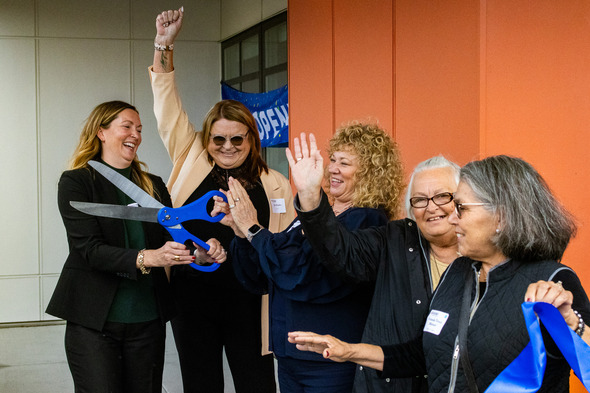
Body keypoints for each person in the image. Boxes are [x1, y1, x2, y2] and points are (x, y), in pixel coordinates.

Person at [289, 155, 590, 393]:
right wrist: (348, 350)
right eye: (421, 200)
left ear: (502, 216)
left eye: (460, 206)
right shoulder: (459, 273)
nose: (451, 217)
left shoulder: (554, 281)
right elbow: (424, 354)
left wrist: (573, 324)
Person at [149, 8, 296, 393]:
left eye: (237, 139)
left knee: (258, 384)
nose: (227, 147)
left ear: (251, 140)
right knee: (201, 383)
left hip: (250, 302)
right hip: (192, 297)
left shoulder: (276, 184)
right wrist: (164, 44)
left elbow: (285, 245)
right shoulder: (190, 155)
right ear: (206, 140)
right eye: (218, 139)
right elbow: (165, 103)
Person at [46, 100, 226, 393]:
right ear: (101, 132)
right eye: (127, 126)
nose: (136, 135)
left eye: (140, 129)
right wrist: (148, 258)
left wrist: (201, 254)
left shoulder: (153, 185)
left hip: (147, 321)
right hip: (94, 322)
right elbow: (89, 251)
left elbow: (175, 240)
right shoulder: (76, 182)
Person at [213, 123, 404, 392]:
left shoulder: (367, 220)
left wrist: (254, 229)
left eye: (345, 163)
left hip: (329, 365)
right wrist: (242, 232)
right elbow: (263, 275)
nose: (333, 168)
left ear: (370, 173)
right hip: (291, 358)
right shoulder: (316, 214)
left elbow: (302, 276)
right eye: (333, 159)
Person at [277, 133, 460, 392]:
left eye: (443, 196)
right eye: (419, 199)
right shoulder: (394, 239)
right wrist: (309, 195)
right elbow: (343, 252)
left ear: (462, 200)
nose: (431, 207)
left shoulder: (480, 258)